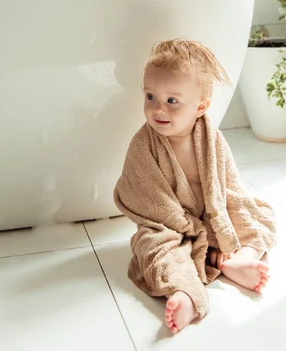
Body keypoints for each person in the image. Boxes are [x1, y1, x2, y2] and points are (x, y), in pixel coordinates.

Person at [114, 39, 277, 334]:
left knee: (256, 214)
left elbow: (228, 187)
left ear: (200, 106)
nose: (158, 109)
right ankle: (186, 293)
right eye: (150, 96)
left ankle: (241, 260)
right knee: (154, 247)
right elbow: (142, 194)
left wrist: (222, 224)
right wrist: (184, 226)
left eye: (172, 101)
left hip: (213, 218)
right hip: (169, 225)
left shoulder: (211, 138)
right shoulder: (143, 145)